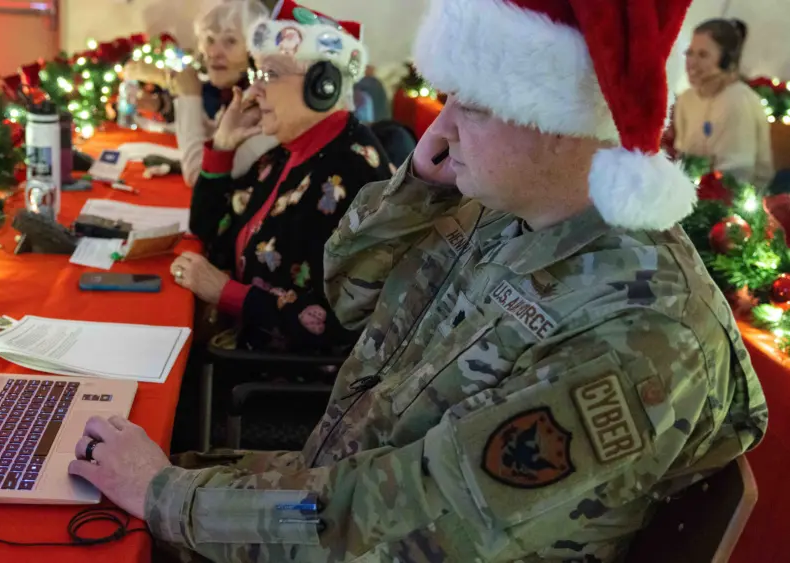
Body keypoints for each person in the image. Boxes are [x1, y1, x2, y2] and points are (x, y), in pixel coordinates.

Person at [67, 1, 768, 561]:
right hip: (326, 486)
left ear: (562, 122)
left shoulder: (642, 329)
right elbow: (344, 291)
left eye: (474, 104)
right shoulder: (498, 212)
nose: (445, 124)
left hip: (355, 529)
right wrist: (417, 189)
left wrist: (165, 493)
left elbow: (385, 526)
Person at [168, 1, 391, 355]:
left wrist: (225, 293)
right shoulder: (288, 151)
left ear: (323, 85)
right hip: (241, 351)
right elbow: (210, 229)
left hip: (281, 383)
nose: (253, 92)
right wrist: (222, 147)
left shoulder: (350, 172)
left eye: (269, 75)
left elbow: (337, 325)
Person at [157, 0, 279, 187]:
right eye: (210, 40)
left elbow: (199, 176)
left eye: (230, 41)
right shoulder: (239, 93)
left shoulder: (264, 105)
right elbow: (214, 140)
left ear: (256, 51)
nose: (214, 52)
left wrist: (189, 98)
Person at [675, 19, 774, 188]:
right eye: (690, 53)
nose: (691, 62)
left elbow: (736, 177)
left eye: (703, 55)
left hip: (734, 203)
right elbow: (682, 157)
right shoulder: (686, 99)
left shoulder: (739, 100)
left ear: (726, 61)